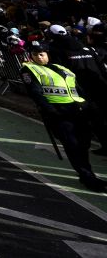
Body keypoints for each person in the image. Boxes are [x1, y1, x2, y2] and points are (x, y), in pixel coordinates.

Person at [22, 41, 105, 190]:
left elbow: (77, 89)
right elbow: (35, 93)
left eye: (41, 54)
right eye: (35, 54)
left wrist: (88, 105)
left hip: (78, 110)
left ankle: (86, 174)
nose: (39, 57)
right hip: (59, 112)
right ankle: (88, 178)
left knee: (84, 144)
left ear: (47, 54)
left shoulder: (61, 68)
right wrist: (51, 111)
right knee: (72, 146)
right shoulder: (29, 69)